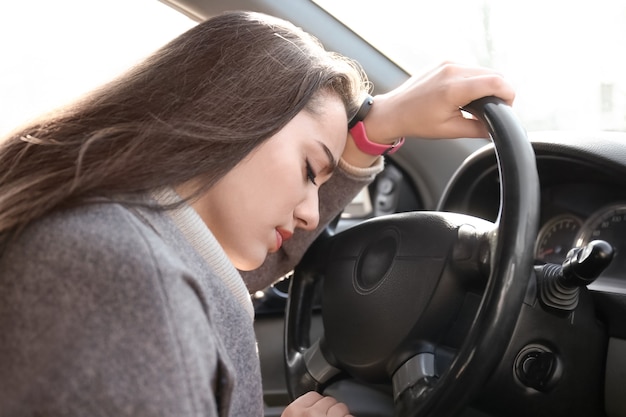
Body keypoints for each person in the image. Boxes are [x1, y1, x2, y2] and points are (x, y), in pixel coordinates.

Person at [0, 10, 515, 417]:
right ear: (233, 114)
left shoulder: (150, 247)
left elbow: (254, 265)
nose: (314, 215)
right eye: (312, 169)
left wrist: (373, 127)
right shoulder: (123, 275)